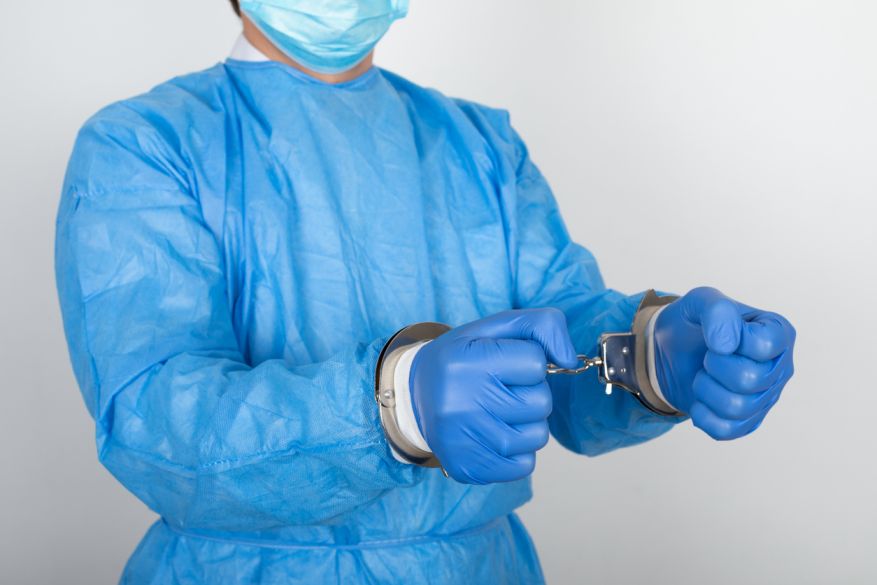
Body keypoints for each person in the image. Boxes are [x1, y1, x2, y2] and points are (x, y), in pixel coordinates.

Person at [54, 1, 796, 583]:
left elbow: (562, 344)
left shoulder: (478, 145)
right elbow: (159, 420)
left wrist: (650, 357)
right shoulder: (144, 146)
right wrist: (396, 400)